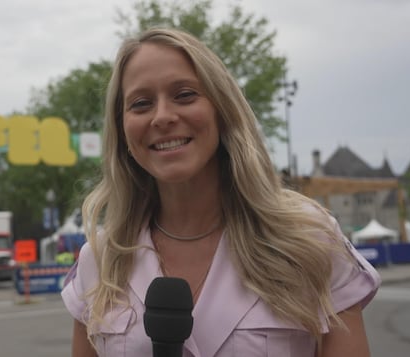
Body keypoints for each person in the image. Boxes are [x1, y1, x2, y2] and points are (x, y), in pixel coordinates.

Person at [60, 27, 381, 357]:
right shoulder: (99, 261)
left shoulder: (310, 239)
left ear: (222, 110)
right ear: (123, 131)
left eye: (184, 95)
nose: (163, 116)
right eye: (141, 104)